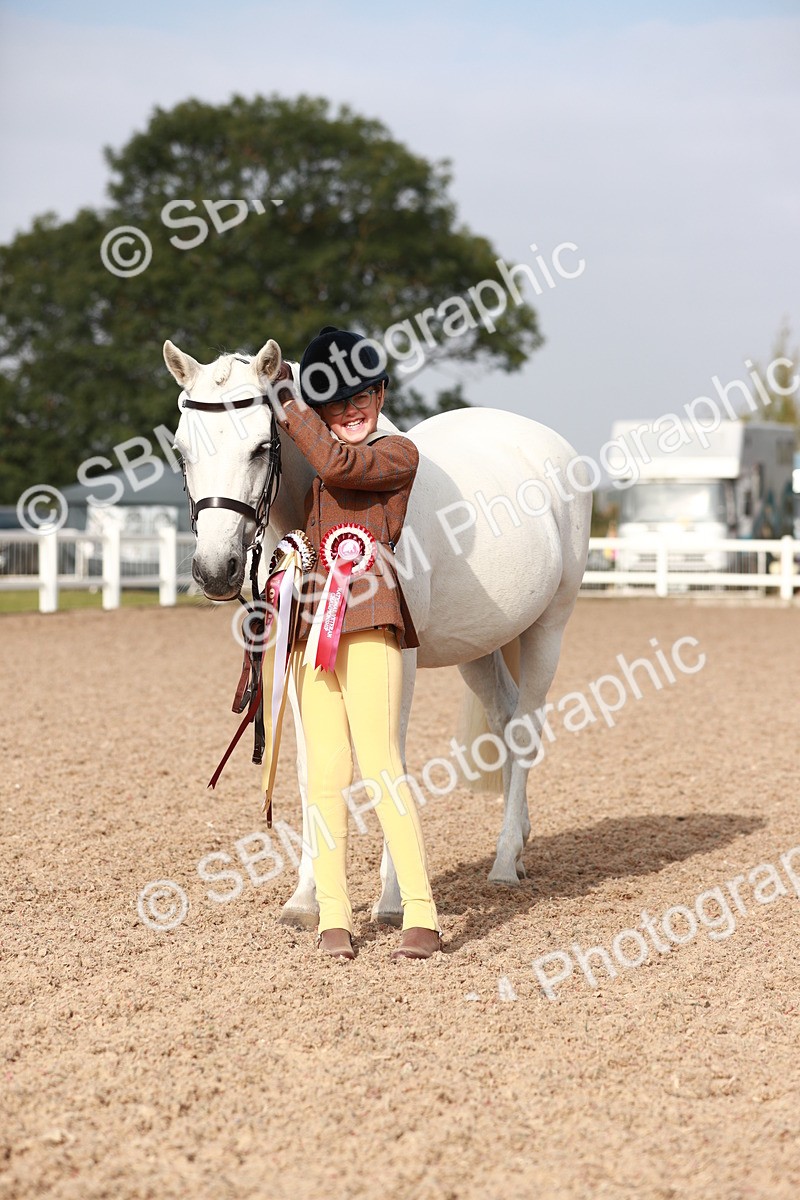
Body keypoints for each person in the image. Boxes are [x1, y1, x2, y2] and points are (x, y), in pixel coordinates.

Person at [275, 326, 441, 962]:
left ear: (381, 394)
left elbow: (338, 464)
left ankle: (421, 912)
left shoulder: (397, 454)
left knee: (381, 765)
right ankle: (334, 916)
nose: (350, 410)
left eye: (361, 396)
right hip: (315, 632)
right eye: (334, 402)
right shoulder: (316, 476)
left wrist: (290, 401)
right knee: (325, 773)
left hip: (371, 621)